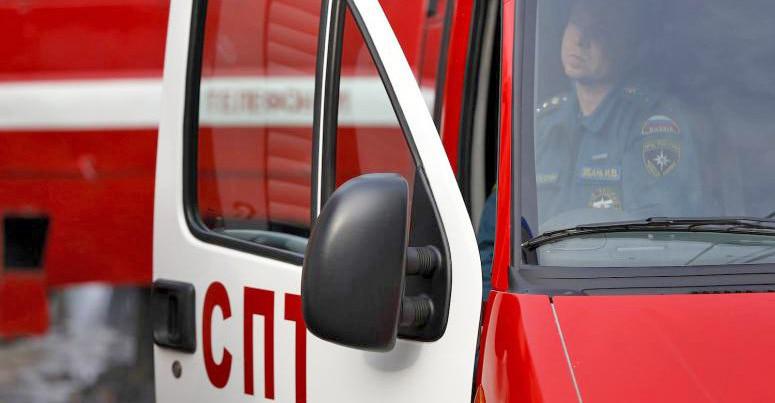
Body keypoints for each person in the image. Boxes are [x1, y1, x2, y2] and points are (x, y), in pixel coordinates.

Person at [477, 0, 702, 298]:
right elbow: (492, 242)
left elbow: (655, 248)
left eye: (600, 30)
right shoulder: (540, 126)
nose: (580, 40)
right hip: (534, 300)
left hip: (605, 301)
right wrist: (487, 307)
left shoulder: (652, 127)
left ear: (628, 47)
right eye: (576, 24)